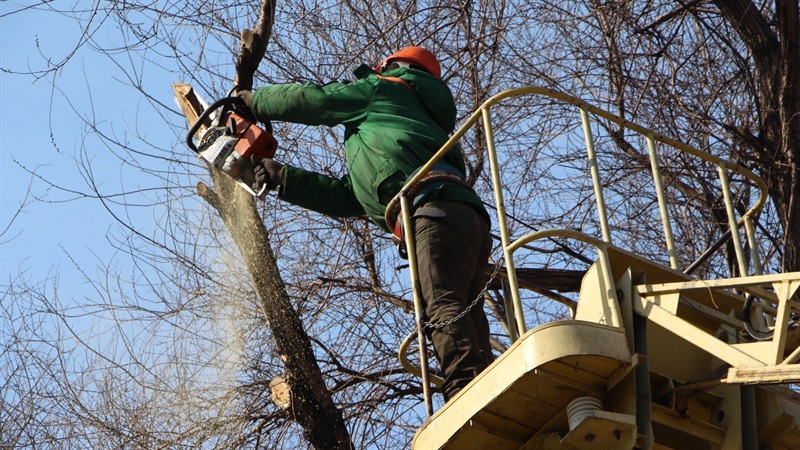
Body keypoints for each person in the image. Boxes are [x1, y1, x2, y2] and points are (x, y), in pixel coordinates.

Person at [238, 46, 494, 400]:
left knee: (442, 304)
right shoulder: (415, 125)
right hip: (463, 216)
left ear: (393, 66)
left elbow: (319, 100)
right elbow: (351, 196)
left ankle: (467, 393)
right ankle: (491, 387)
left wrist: (255, 101)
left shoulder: (385, 87)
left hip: (432, 208)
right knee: (468, 316)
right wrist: (284, 179)